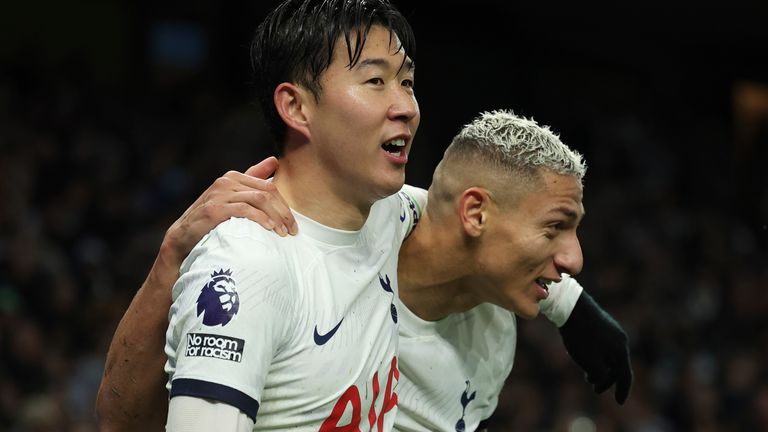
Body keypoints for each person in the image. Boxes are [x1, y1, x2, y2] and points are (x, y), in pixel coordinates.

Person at [97, 110, 632, 432]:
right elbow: (121, 423)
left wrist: (573, 307)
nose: (574, 258)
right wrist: (173, 256)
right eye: (556, 227)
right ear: (474, 214)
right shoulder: (307, 246)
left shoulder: (494, 336)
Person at [104, 0, 421, 430]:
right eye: (375, 80)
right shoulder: (249, 261)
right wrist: (172, 254)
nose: (405, 106)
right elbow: (117, 422)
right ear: (296, 106)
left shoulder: (393, 213)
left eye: (407, 82)